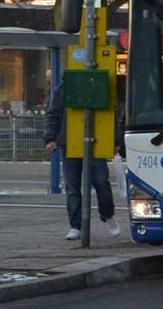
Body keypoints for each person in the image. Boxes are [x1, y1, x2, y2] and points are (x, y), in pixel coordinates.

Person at [44, 79, 117, 241]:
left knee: (100, 181)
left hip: (91, 140)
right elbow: (54, 113)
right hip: (71, 141)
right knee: (73, 186)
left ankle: (106, 214)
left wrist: (115, 140)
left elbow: (110, 114)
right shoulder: (64, 87)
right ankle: (76, 226)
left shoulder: (67, 86)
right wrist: (50, 137)